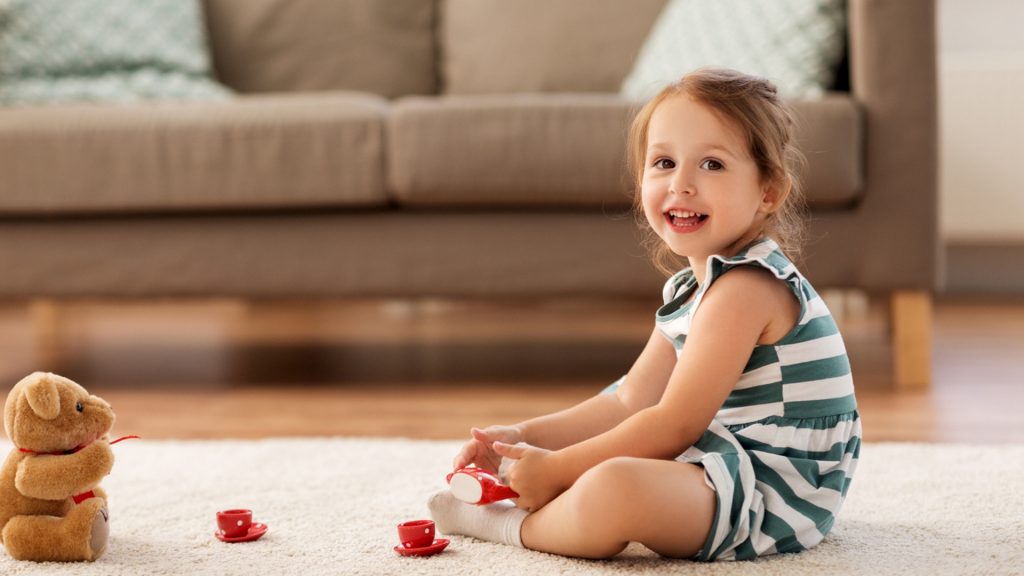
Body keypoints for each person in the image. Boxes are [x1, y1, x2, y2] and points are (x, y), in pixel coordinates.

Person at [428, 67, 862, 562]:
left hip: (777, 492)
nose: (682, 184)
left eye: (712, 165)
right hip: (725, 464)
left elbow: (673, 425)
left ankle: (507, 525)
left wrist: (560, 468)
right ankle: (550, 504)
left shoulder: (746, 288)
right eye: (663, 162)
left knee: (615, 486)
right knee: (609, 465)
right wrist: (520, 437)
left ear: (768, 191)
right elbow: (631, 400)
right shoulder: (694, 288)